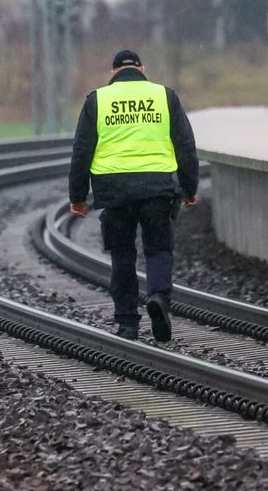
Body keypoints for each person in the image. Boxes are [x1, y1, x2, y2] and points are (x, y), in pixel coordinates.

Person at [68, 49, 198, 343]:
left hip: (115, 192)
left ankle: (127, 322)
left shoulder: (97, 101)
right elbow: (186, 147)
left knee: (122, 256)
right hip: (157, 188)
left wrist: (77, 197)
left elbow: (81, 152)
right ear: (142, 69)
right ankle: (158, 299)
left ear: (113, 72)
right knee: (158, 249)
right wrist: (190, 188)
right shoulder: (165, 97)